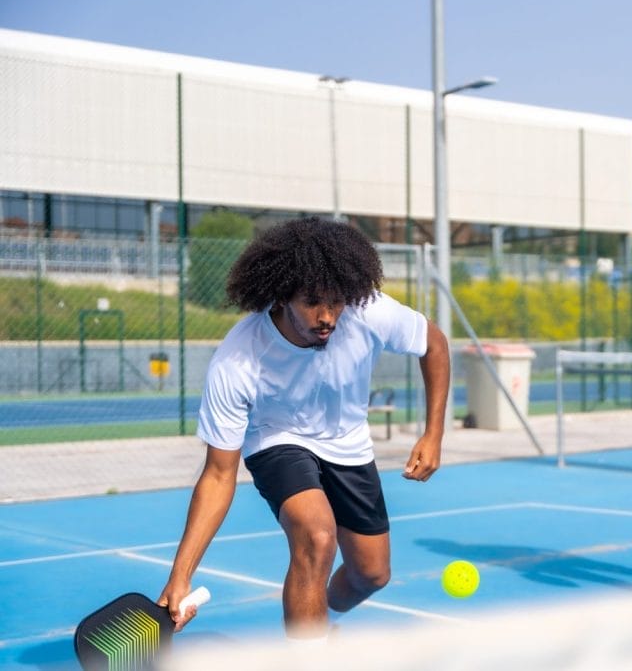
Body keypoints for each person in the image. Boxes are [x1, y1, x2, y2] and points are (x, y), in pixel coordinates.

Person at [157, 217, 450, 640]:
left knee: (371, 574)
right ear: (281, 294)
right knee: (316, 535)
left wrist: (433, 433)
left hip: (348, 443)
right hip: (277, 438)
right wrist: (181, 575)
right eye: (313, 303)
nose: (327, 316)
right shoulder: (239, 359)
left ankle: (314, 618)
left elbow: (434, 343)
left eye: (336, 302)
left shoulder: (368, 311)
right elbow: (219, 474)